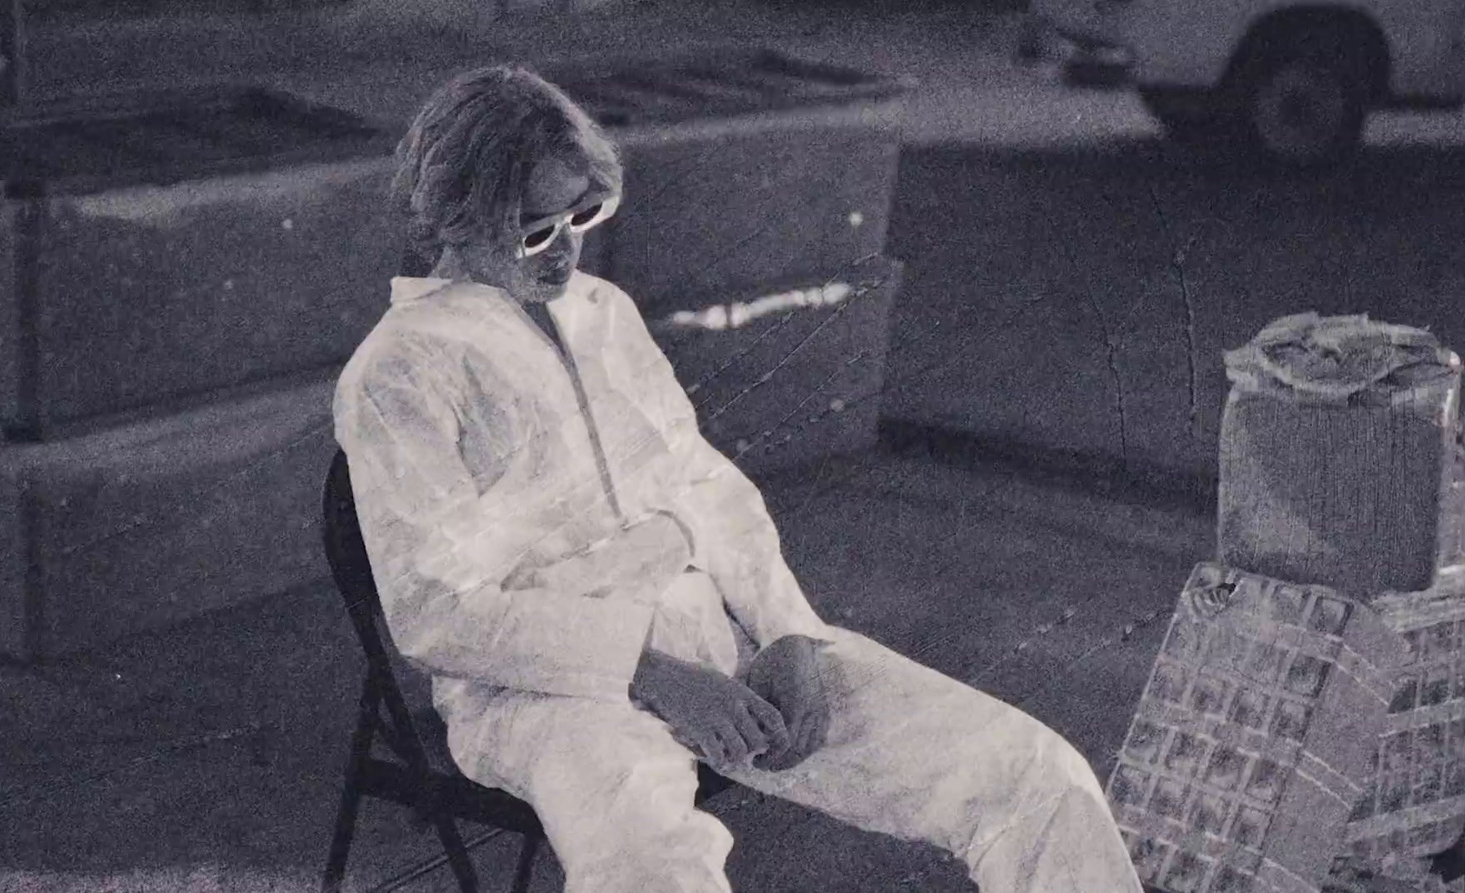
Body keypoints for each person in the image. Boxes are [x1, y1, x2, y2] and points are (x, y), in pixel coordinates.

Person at [332, 64, 1145, 893]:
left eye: (582, 213)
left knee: (1034, 773)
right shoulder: (401, 370)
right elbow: (438, 613)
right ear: (458, 219)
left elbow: (702, 482)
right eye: (536, 231)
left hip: (720, 637)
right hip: (549, 694)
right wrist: (647, 672)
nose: (567, 249)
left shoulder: (600, 310)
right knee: (655, 876)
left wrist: (791, 631)